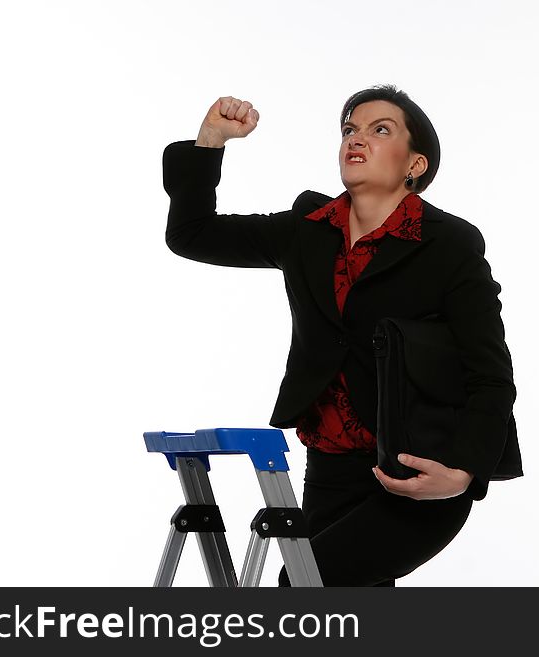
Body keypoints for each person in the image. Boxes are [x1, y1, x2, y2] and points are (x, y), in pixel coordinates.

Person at [161, 84, 519, 586]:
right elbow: (191, 234)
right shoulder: (307, 231)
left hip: (415, 474)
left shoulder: (450, 243)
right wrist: (210, 140)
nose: (357, 138)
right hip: (327, 469)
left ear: (415, 164)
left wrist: (464, 471)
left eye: (380, 129)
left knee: (300, 593)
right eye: (350, 129)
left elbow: (490, 374)